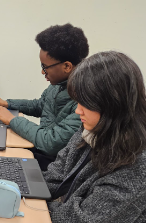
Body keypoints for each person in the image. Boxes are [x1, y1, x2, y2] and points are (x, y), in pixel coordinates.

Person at [43, 51, 146, 222]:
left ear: (112, 104)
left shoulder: (137, 166)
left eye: (85, 103)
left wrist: (32, 206)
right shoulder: (93, 129)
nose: (78, 111)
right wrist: (21, 187)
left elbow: (83, 218)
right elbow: (57, 173)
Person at [0, 23, 89, 170]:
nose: (43, 72)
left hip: (53, 164)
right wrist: (6, 103)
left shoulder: (84, 100)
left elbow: (51, 142)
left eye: (45, 67)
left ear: (67, 66)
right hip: (41, 151)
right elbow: (39, 105)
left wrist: (12, 119)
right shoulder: (58, 85)